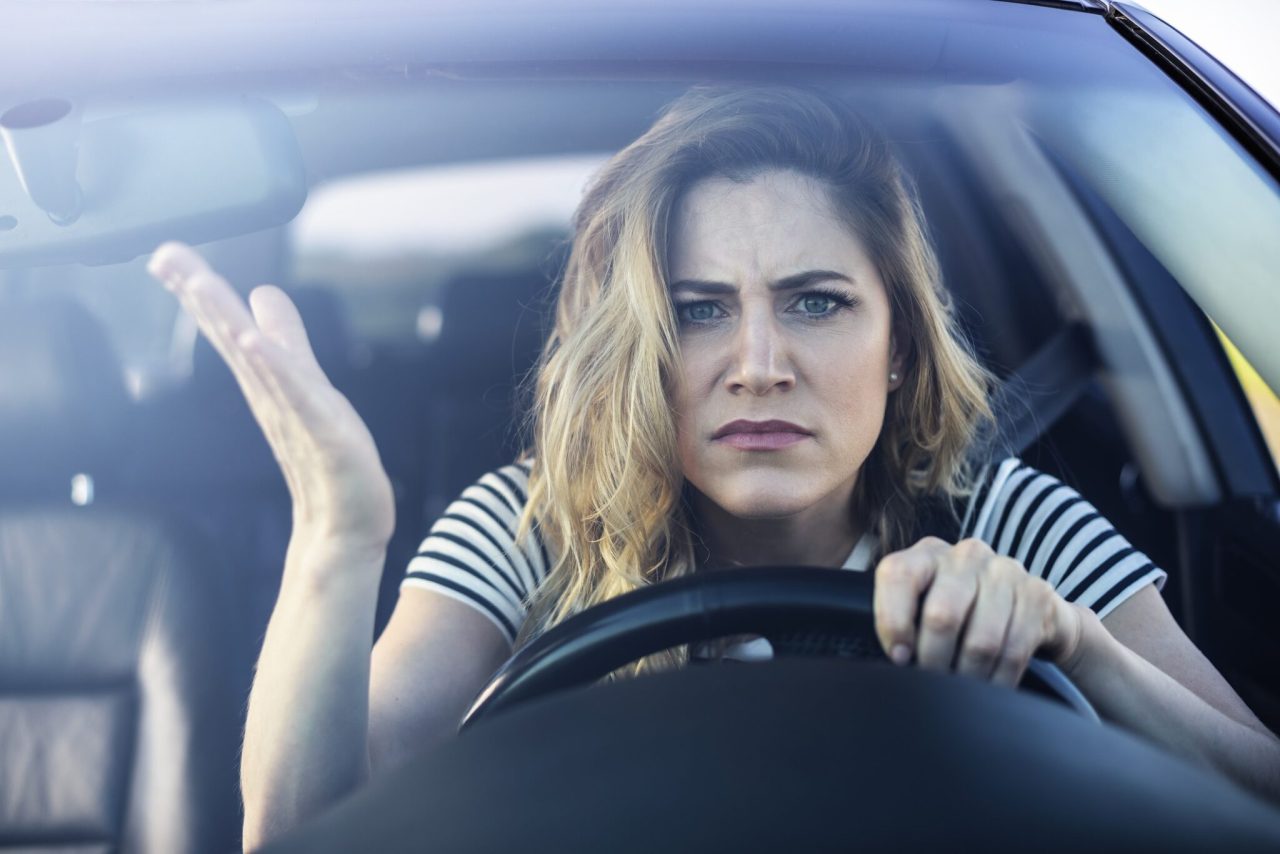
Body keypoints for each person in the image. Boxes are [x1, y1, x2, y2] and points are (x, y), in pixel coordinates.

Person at [147, 86, 1280, 848]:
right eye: (697, 312)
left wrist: (1068, 642)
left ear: (897, 349)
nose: (756, 364)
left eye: (816, 302)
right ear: (638, 346)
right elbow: (299, 828)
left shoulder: (1004, 516)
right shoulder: (526, 522)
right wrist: (338, 534)